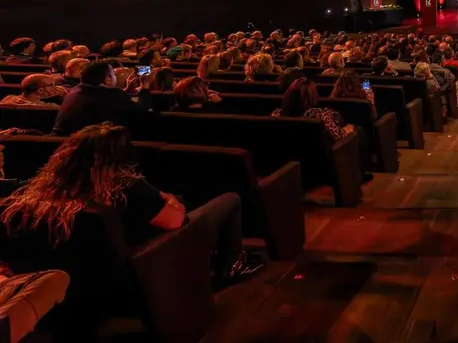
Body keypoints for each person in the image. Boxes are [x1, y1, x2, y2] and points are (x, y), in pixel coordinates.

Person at [0, 123, 256, 286]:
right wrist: (171, 201)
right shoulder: (127, 187)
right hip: (138, 264)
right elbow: (176, 222)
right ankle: (230, 266)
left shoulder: (42, 188)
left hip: (77, 274)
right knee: (230, 199)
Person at [51, 61, 147, 136]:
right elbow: (143, 111)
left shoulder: (75, 90)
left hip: (66, 141)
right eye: (113, 73)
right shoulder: (112, 94)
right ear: (107, 78)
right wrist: (145, 88)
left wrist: (125, 91)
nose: (115, 76)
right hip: (88, 147)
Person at [270, 79, 352, 142]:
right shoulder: (317, 115)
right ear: (313, 95)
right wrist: (349, 128)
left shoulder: (276, 114)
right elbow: (339, 135)